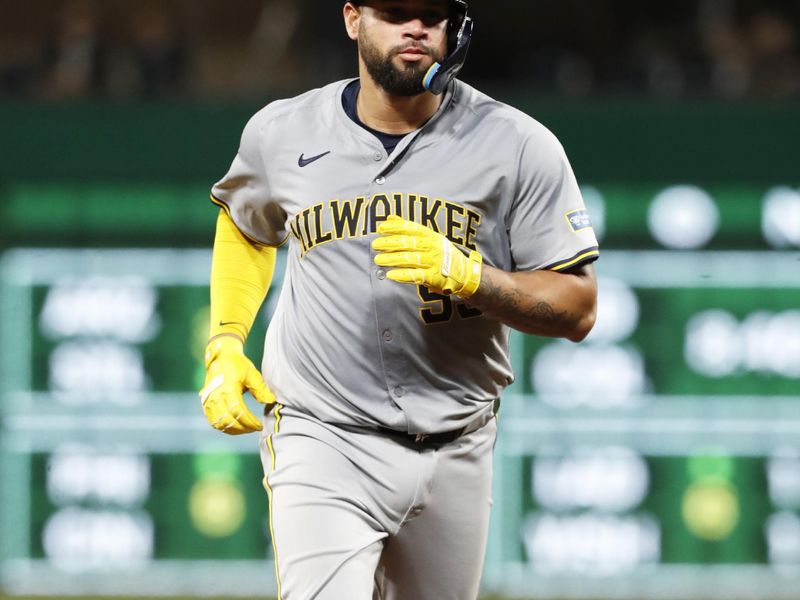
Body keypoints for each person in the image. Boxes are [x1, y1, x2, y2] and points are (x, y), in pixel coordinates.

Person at [199, 1, 599, 598]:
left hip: (457, 442)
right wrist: (226, 340)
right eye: (394, 12)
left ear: (454, 28)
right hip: (323, 434)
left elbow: (578, 308)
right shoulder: (282, 132)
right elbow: (246, 224)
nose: (415, 28)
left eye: (431, 15)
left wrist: (472, 278)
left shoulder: (518, 145)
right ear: (353, 19)